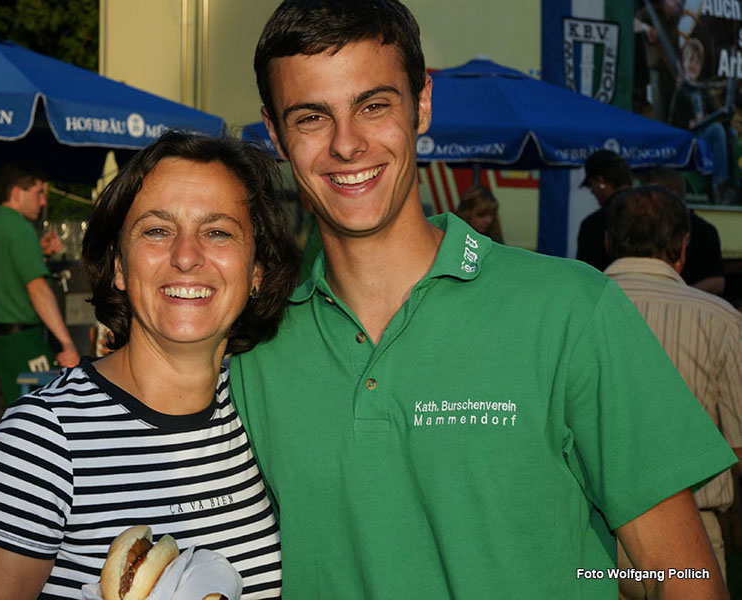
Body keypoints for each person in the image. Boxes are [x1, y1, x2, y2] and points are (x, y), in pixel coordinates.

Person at [229, 1, 736, 598]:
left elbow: (682, 578)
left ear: (421, 104)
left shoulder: (570, 310)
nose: (347, 144)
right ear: (275, 135)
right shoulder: (251, 346)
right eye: (312, 117)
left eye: (373, 106)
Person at [0, 131, 299, 600]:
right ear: (118, 265)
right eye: (156, 230)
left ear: (257, 270)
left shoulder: (270, 416)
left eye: (218, 231)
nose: (186, 256)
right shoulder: (41, 445)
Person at [604, 185, 742, 596]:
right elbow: (738, 445)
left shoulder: (563, 311)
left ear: (609, 241)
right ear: (681, 247)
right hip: (694, 534)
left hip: (595, 535)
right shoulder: (718, 318)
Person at [0, 164, 80, 441]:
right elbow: (37, 289)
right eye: (39, 193)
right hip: (17, 339)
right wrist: (66, 343)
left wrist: (38, 253)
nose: (43, 201)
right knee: (34, 420)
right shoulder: (19, 229)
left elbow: (4, 272)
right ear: (17, 192)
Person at [667, 38, 732, 204]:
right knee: (716, 130)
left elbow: (715, 113)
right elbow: (673, 124)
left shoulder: (703, 91)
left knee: (729, 132)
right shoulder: (681, 92)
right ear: (683, 63)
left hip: (705, 134)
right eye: (690, 60)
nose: (693, 65)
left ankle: (733, 183)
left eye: (697, 62)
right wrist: (688, 124)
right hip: (689, 140)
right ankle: (719, 183)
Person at [642, 166, 725, 295]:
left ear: (673, 193)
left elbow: (717, 282)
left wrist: (678, 294)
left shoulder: (703, 230)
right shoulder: (644, 226)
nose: (644, 201)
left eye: (651, 195)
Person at [576, 149, 633, 271]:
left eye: (591, 184)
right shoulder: (653, 214)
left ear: (601, 181)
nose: (592, 191)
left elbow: (586, 275)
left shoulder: (594, 223)